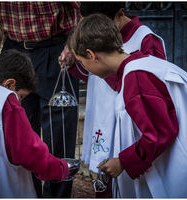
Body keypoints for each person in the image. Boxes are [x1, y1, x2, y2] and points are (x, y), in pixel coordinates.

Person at [67, 13, 187, 198]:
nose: (85, 67)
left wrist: (123, 161)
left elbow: (160, 131)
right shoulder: (140, 64)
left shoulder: (136, 77)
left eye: (82, 62)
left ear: (91, 55)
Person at [0, 2, 81, 198]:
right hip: (13, 46)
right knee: (15, 132)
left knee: (59, 134)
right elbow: (25, 148)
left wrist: (74, 43)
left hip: (55, 49)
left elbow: (83, 9)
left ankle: (56, 191)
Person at [0, 49, 69, 198]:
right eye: (22, 96)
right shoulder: (9, 104)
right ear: (9, 85)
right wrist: (60, 169)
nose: (20, 102)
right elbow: (29, 150)